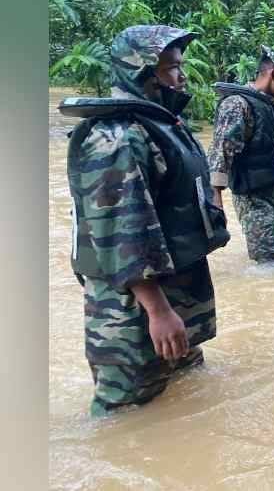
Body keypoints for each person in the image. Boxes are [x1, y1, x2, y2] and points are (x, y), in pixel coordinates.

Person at [61, 26, 230, 416]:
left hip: (172, 293)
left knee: (182, 397)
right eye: (172, 68)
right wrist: (157, 311)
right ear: (143, 73)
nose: (182, 77)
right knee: (127, 416)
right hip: (134, 305)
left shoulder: (156, 126)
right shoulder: (116, 138)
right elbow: (122, 229)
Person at [209, 46, 274, 267]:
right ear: (273, 74)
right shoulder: (237, 105)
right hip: (251, 196)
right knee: (269, 263)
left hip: (273, 191)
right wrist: (216, 204)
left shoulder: (273, 107)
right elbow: (219, 154)